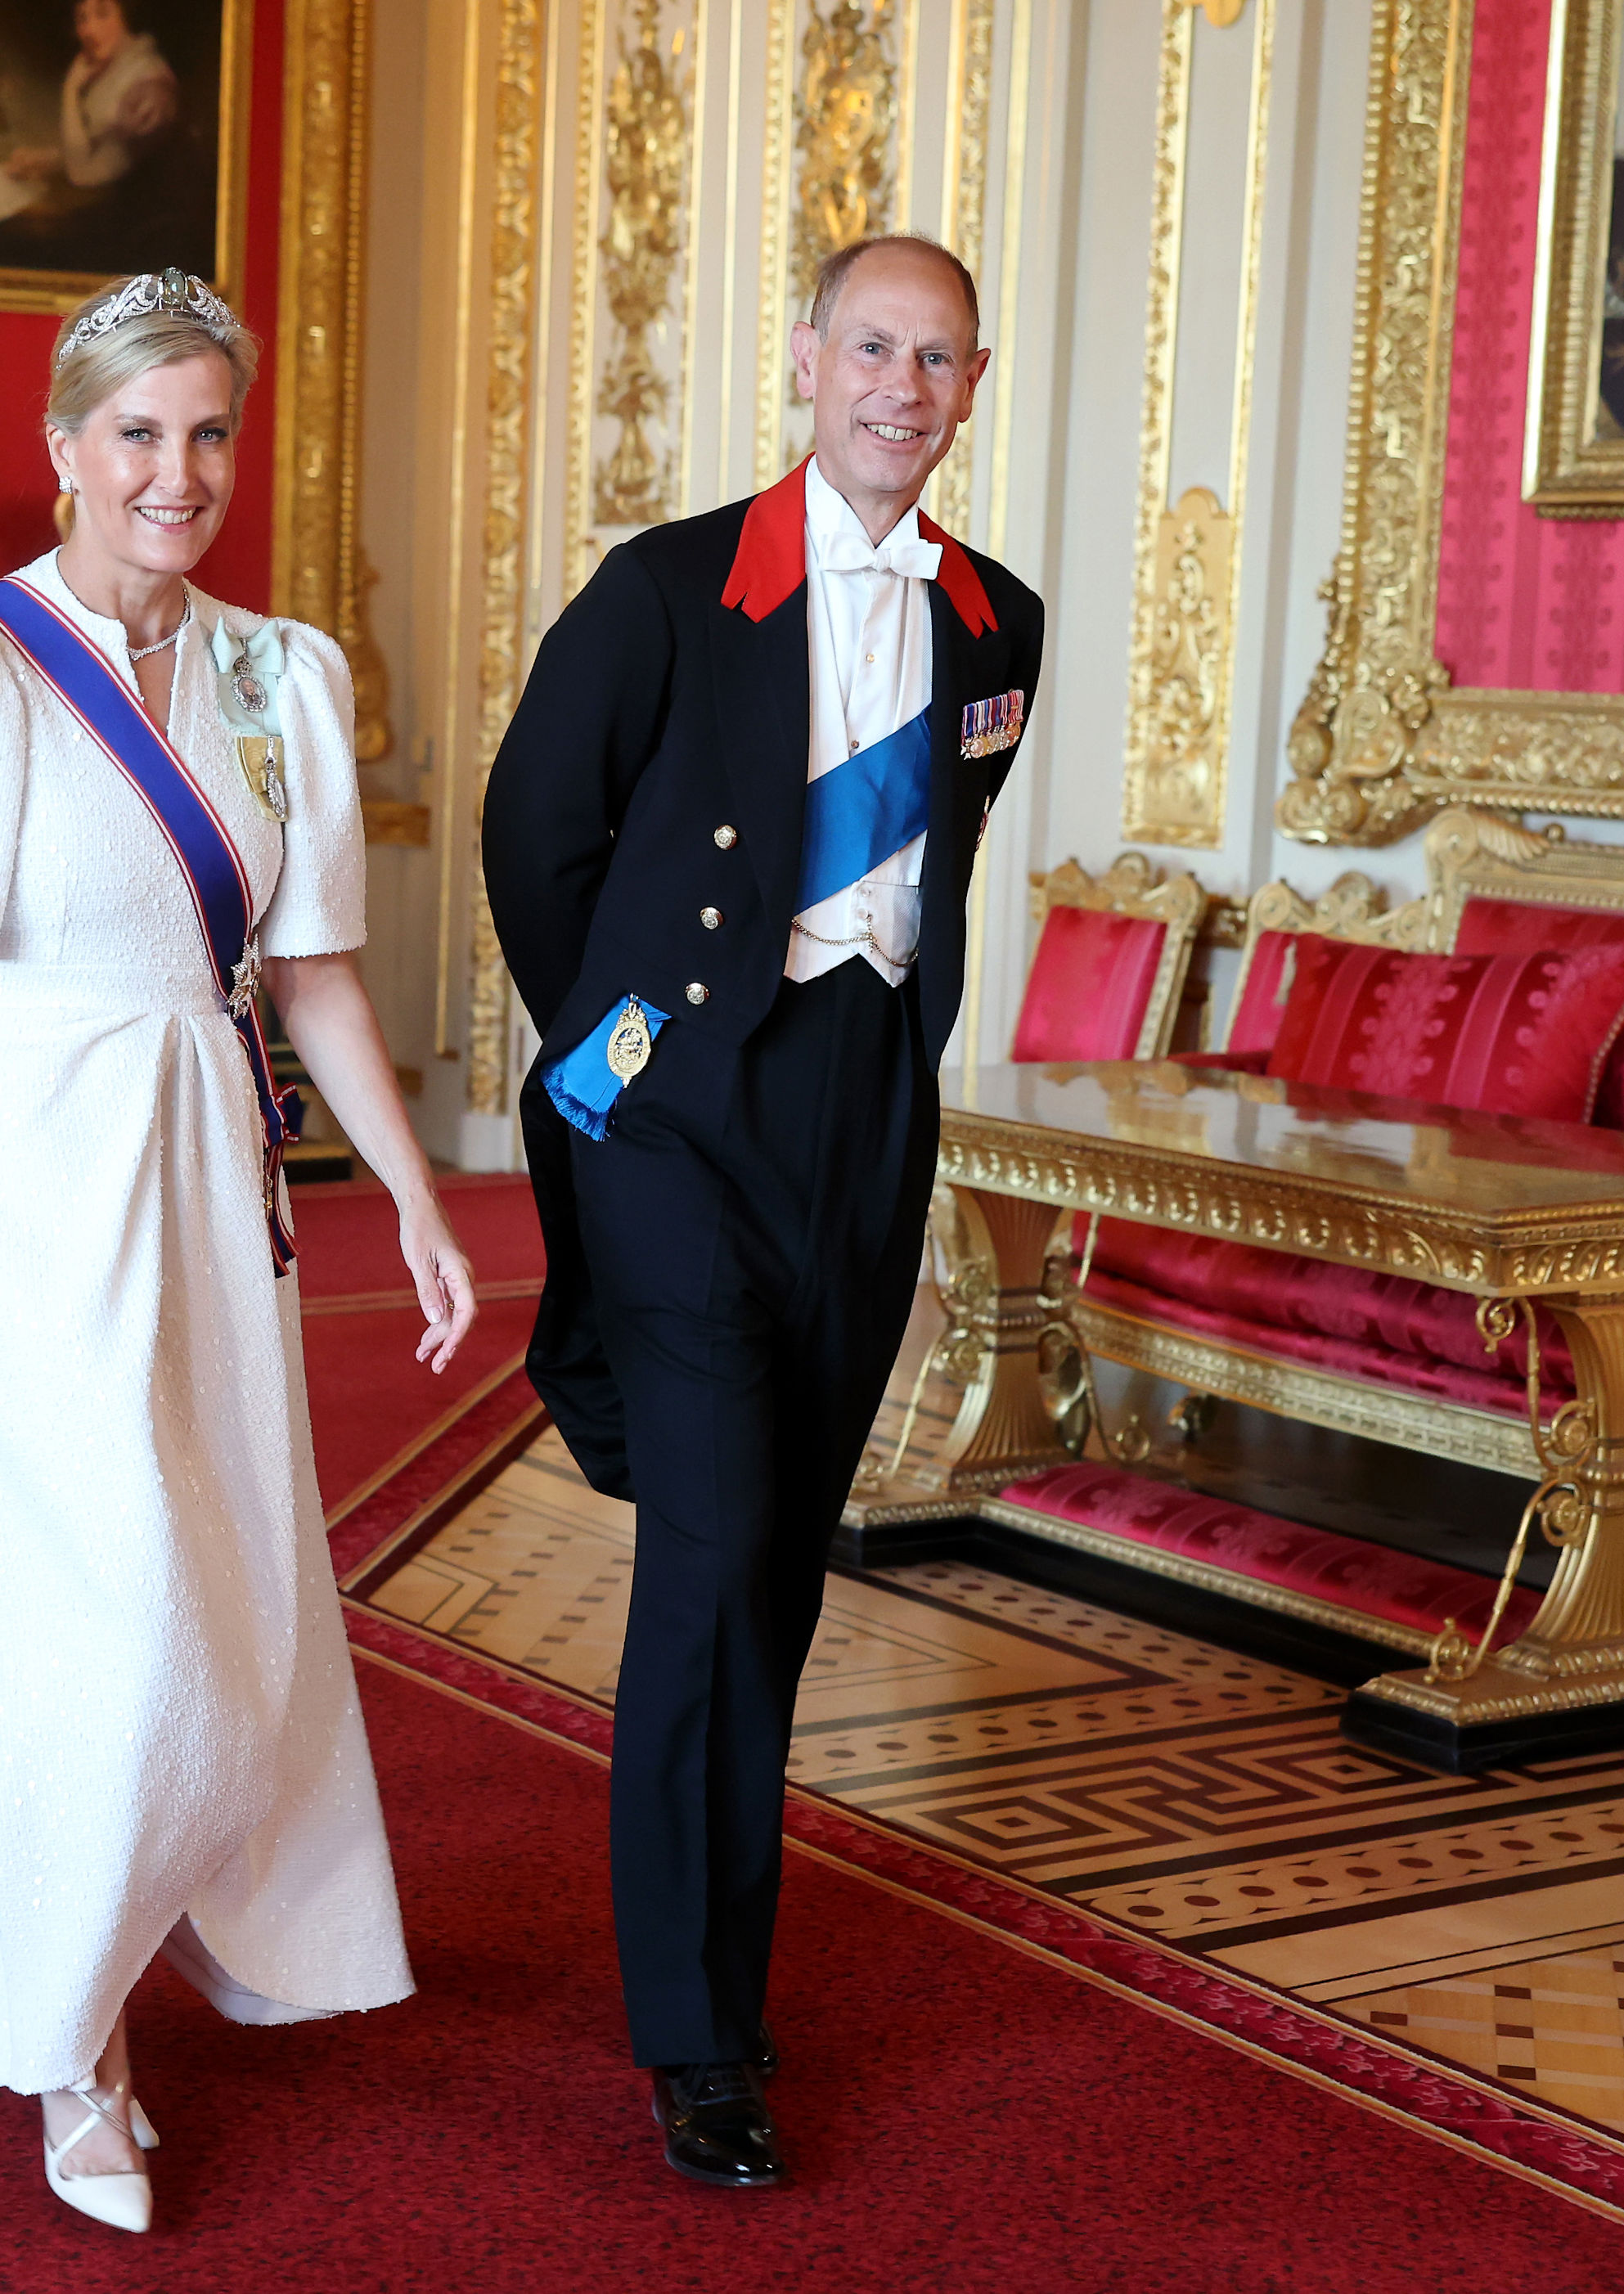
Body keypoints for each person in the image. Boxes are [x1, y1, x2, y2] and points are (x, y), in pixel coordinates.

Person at [0, 268, 470, 2235]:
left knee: (214, 1588)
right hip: (4, 1179)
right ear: (60, 452)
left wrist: (419, 1192)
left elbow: (315, 969)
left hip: (198, 1167)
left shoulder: (285, 675)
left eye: (203, 434)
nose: (173, 472)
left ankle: (138, 1937)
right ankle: (72, 2033)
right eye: (134, 434)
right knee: (98, 1615)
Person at [481, 233, 1043, 2191]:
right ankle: (700, 2035)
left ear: (973, 383)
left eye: (938, 358)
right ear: (804, 357)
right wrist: (623, 1049)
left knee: (780, 1559)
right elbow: (529, 833)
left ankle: (711, 1945)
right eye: (870, 346)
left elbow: (934, 865)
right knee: (712, 1557)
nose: (900, 384)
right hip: (682, 1116)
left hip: (858, 1111)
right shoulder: (664, 587)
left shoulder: (997, 623)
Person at [0, 0, 180, 223]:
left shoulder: (149, 89)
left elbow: (84, 175)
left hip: (132, 222)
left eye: (102, 14)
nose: (88, 30)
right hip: (104, 212)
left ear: (127, 18)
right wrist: (49, 161)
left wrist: (71, 89)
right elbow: (97, 145)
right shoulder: (114, 69)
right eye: (82, 18)